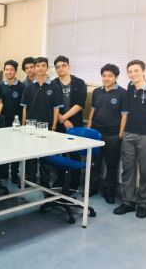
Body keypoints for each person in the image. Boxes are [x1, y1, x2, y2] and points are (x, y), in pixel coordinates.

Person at [113, 60, 146, 218]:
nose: (133, 74)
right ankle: (128, 202)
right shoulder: (130, 88)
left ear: (144, 71)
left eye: (136, 70)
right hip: (129, 134)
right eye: (130, 71)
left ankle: (143, 204)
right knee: (128, 170)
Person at [87, 64, 128, 204]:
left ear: (116, 77)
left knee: (111, 165)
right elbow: (92, 111)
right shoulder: (97, 91)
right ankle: (92, 187)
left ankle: (109, 192)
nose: (106, 78)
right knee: (94, 163)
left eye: (110, 76)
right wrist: (89, 128)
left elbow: (124, 116)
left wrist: (120, 135)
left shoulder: (122, 93)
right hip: (96, 132)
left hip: (113, 135)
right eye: (104, 75)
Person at [20, 57, 63, 187]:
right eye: (37, 66)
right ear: (34, 68)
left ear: (47, 68)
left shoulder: (54, 87)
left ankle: (45, 181)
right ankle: (29, 179)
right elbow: (25, 107)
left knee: (45, 155)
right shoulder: (29, 87)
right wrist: (23, 125)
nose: (40, 68)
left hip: (47, 126)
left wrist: (54, 125)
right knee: (30, 154)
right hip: (31, 126)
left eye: (43, 65)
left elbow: (56, 109)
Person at [53, 55, 87, 191]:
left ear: (69, 66)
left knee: (75, 153)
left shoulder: (79, 82)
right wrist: (62, 119)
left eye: (63, 65)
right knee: (58, 153)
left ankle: (74, 182)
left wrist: (65, 117)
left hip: (75, 123)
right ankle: (60, 179)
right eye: (58, 67)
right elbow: (52, 104)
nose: (61, 68)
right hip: (58, 121)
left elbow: (80, 104)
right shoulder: (53, 83)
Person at [0, 59, 25, 184]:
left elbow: (24, 107)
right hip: (3, 123)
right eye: (7, 69)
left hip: (17, 122)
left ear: (15, 71)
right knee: (3, 148)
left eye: (11, 69)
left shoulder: (22, 86)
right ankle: (3, 173)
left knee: (16, 149)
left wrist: (23, 123)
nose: (9, 72)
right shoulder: (1, 86)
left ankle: (14, 174)